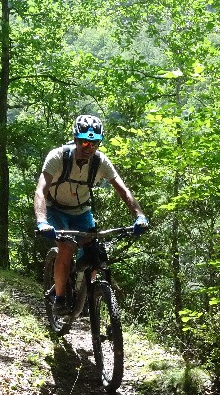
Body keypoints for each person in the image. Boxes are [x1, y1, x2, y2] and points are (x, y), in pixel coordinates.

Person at [34, 114, 148, 312]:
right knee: (67, 247)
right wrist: (42, 221)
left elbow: (123, 190)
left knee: (96, 254)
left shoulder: (100, 162)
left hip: (82, 212)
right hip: (55, 210)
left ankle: (83, 293)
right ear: (76, 139)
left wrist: (139, 215)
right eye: (85, 142)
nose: (89, 147)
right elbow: (41, 190)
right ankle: (60, 298)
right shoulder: (58, 157)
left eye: (95, 143)